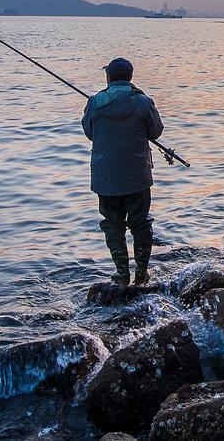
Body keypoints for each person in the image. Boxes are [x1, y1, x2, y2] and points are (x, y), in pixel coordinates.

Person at [81, 57, 164, 285]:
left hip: (105, 178)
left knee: (112, 224)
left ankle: (121, 273)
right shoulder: (144, 102)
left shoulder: (94, 102)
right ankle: (141, 273)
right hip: (137, 175)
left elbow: (89, 133)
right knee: (141, 223)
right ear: (130, 77)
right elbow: (156, 132)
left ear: (109, 77)